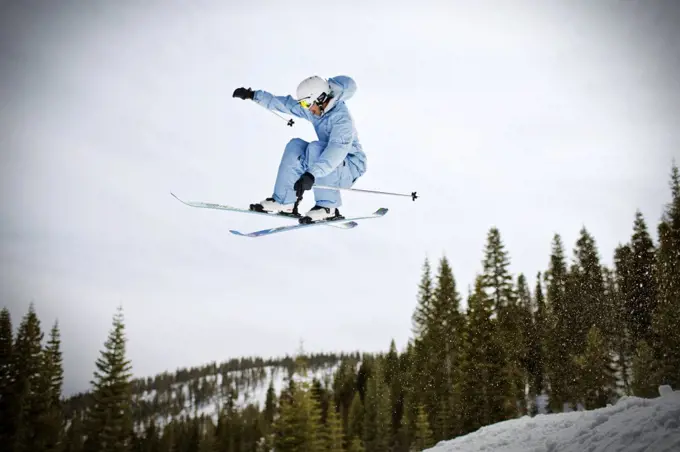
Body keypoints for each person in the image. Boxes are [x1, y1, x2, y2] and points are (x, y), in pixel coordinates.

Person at [232, 75, 367, 222]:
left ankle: (328, 208)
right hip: (328, 164)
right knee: (295, 146)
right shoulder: (317, 109)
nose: (307, 109)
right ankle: (285, 202)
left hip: (350, 166)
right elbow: (287, 104)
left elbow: (336, 151)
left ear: (320, 99)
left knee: (316, 148)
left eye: (307, 104)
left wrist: (311, 174)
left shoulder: (341, 119)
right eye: (303, 105)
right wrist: (253, 95)